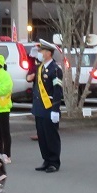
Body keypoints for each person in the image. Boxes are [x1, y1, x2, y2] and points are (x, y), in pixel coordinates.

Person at [32, 39, 63, 173]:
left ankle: (54, 162)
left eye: (42, 51)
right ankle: (46, 159)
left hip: (49, 107)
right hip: (39, 107)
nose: (40, 53)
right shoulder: (40, 67)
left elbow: (57, 91)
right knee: (42, 136)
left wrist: (55, 109)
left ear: (49, 53)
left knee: (51, 136)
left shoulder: (55, 69)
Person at [26, 46, 40, 141]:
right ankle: (39, 133)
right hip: (37, 93)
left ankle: (44, 133)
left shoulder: (51, 65)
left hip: (47, 95)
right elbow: (28, 77)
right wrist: (31, 76)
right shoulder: (35, 66)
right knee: (38, 114)